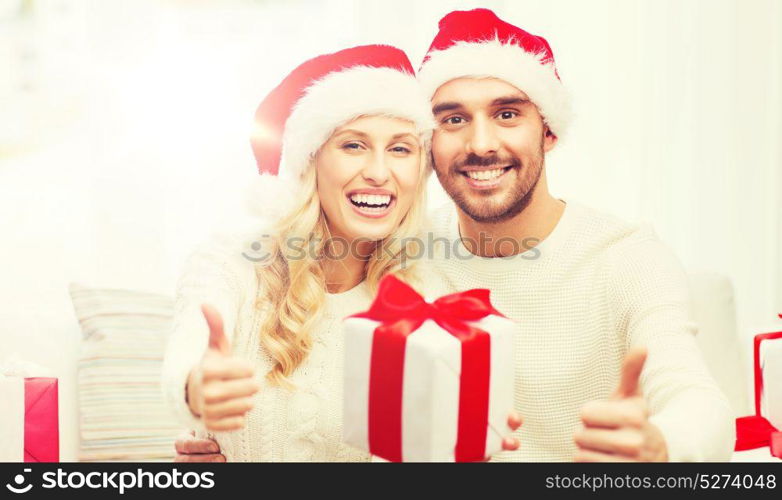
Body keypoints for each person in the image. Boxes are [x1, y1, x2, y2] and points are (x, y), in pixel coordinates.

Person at [161, 44, 522, 462]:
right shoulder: (233, 262)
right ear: (311, 162)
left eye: (401, 149)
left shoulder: (427, 291)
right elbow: (187, 352)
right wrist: (196, 388)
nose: (379, 172)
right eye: (353, 145)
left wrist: (466, 447)